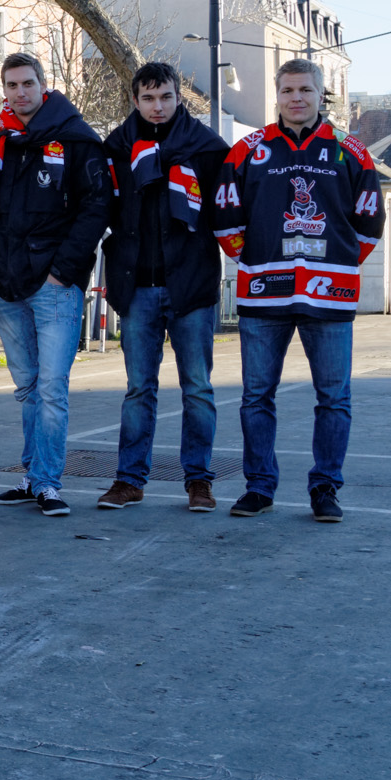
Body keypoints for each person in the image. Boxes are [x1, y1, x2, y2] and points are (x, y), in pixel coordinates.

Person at [215, 58, 383, 522]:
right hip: (264, 295)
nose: (296, 98)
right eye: (288, 90)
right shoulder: (247, 150)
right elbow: (226, 219)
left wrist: (339, 266)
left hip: (329, 298)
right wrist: (253, 260)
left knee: (334, 398)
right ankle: (259, 486)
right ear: (277, 94)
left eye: (305, 90)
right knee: (255, 396)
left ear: (319, 94)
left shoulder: (352, 152)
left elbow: (368, 226)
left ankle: (325, 489)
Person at [0, 53, 110, 517]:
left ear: (44, 85)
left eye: (28, 83)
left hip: (55, 286)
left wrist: (62, 271)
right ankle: (33, 477)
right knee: (27, 388)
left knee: (52, 387)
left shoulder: (77, 140)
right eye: (11, 85)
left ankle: (49, 483)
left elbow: (96, 209)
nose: (20, 92)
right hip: (6, 284)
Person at [97, 61, 230, 513]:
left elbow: (227, 216)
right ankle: (129, 480)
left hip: (191, 287)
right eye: (149, 98)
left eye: (166, 97)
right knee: (139, 389)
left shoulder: (208, 149)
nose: (158, 106)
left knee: (197, 389)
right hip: (137, 288)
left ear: (179, 98)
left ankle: (199, 482)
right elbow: (101, 212)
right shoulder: (115, 148)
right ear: (135, 100)